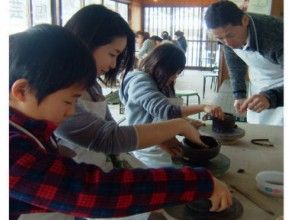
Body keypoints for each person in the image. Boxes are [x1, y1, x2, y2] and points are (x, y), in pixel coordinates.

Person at [10, 24, 232, 220]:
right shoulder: (10, 150)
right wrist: (196, 181)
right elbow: (94, 192)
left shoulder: (32, 124)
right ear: (22, 91)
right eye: (68, 101)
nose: (70, 112)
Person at [54, 5, 206, 171]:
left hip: (101, 161)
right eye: (112, 54)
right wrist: (180, 125)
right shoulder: (56, 92)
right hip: (80, 174)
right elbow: (108, 138)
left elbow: (113, 129)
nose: (113, 65)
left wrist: (160, 138)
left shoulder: (93, 86)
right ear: (85, 42)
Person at [120, 43, 224, 168]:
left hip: (159, 137)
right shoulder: (140, 81)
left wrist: (187, 121)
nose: (175, 77)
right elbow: (167, 111)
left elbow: (171, 109)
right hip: (143, 144)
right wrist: (203, 107)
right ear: (161, 67)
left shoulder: (163, 81)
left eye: (178, 73)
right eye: (174, 72)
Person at [204, 1, 283, 126]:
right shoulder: (226, 38)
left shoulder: (275, 35)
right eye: (220, 39)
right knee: (258, 128)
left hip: (282, 80)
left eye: (230, 35)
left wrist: (270, 97)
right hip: (259, 80)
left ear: (245, 20)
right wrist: (239, 95)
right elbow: (235, 66)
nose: (228, 43)